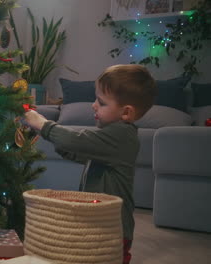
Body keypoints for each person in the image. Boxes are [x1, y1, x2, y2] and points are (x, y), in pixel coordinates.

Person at [23, 64, 156, 264]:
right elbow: (80, 152)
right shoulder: (112, 138)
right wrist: (51, 138)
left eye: (101, 103)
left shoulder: (122, 135)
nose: (94, 105)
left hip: (114, 227)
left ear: (126, 113)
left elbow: (77, 140)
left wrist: (42, 124)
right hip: (100, 223)